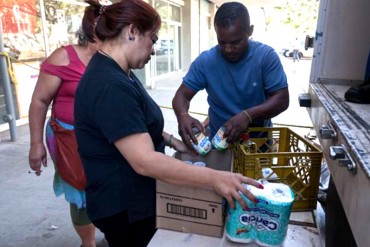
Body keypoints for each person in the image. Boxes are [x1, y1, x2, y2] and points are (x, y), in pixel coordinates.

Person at [73, 0, 264, 246]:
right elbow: (144, 161)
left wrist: (174, 142)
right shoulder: (110, 85)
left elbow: (131, 125)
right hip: (123, 205)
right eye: (153, 40)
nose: (154, 50)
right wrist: (215, 178)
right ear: (132, 31)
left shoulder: (120, 72)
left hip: (132, 197)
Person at [28, 2, 100, 246]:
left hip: (102, 140)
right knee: (79, 191)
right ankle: (88, 243)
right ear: (95, 34)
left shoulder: (113, 60)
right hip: (67, 138)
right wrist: (36, 144)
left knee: (105, 188)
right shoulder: (63, 57)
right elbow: (39, 101)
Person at [172, 2, 289, 149]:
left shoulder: (265, 57)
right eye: (222, 42)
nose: (228, 49)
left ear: (250, 31)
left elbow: (282, 99)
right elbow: (181, 95)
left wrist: (248, 115)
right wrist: (183, 116)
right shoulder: (206, 61)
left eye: (235, 42)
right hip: (220, 145)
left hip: (258, 146)